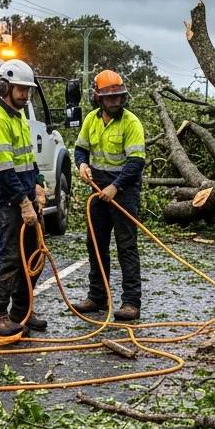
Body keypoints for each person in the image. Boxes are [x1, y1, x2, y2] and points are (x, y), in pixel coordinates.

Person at [0, 59, 47, 337]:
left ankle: (22, 311)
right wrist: (23, 202)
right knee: (8, 258)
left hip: (26, 197)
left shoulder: (17, 117)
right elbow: (5, 170)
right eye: (21, 90)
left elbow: (27, 159)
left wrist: (40, 185)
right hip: (8, 202)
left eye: (27, 90)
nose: (25, 95)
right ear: (4, 87)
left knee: (31, 256)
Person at [72, 70, 146, 321]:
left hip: (124, 191)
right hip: (97, 188)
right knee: (95, 243)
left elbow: (136, 161)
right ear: (99, 99)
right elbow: (80, 149)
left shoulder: (131, 123)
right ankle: (97, 296)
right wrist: (81, 165)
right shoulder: (91, 120)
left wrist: (116, 187)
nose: (115, 101)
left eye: (118, 97)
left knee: (126, 246)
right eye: (110, 98)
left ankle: (131, 302)